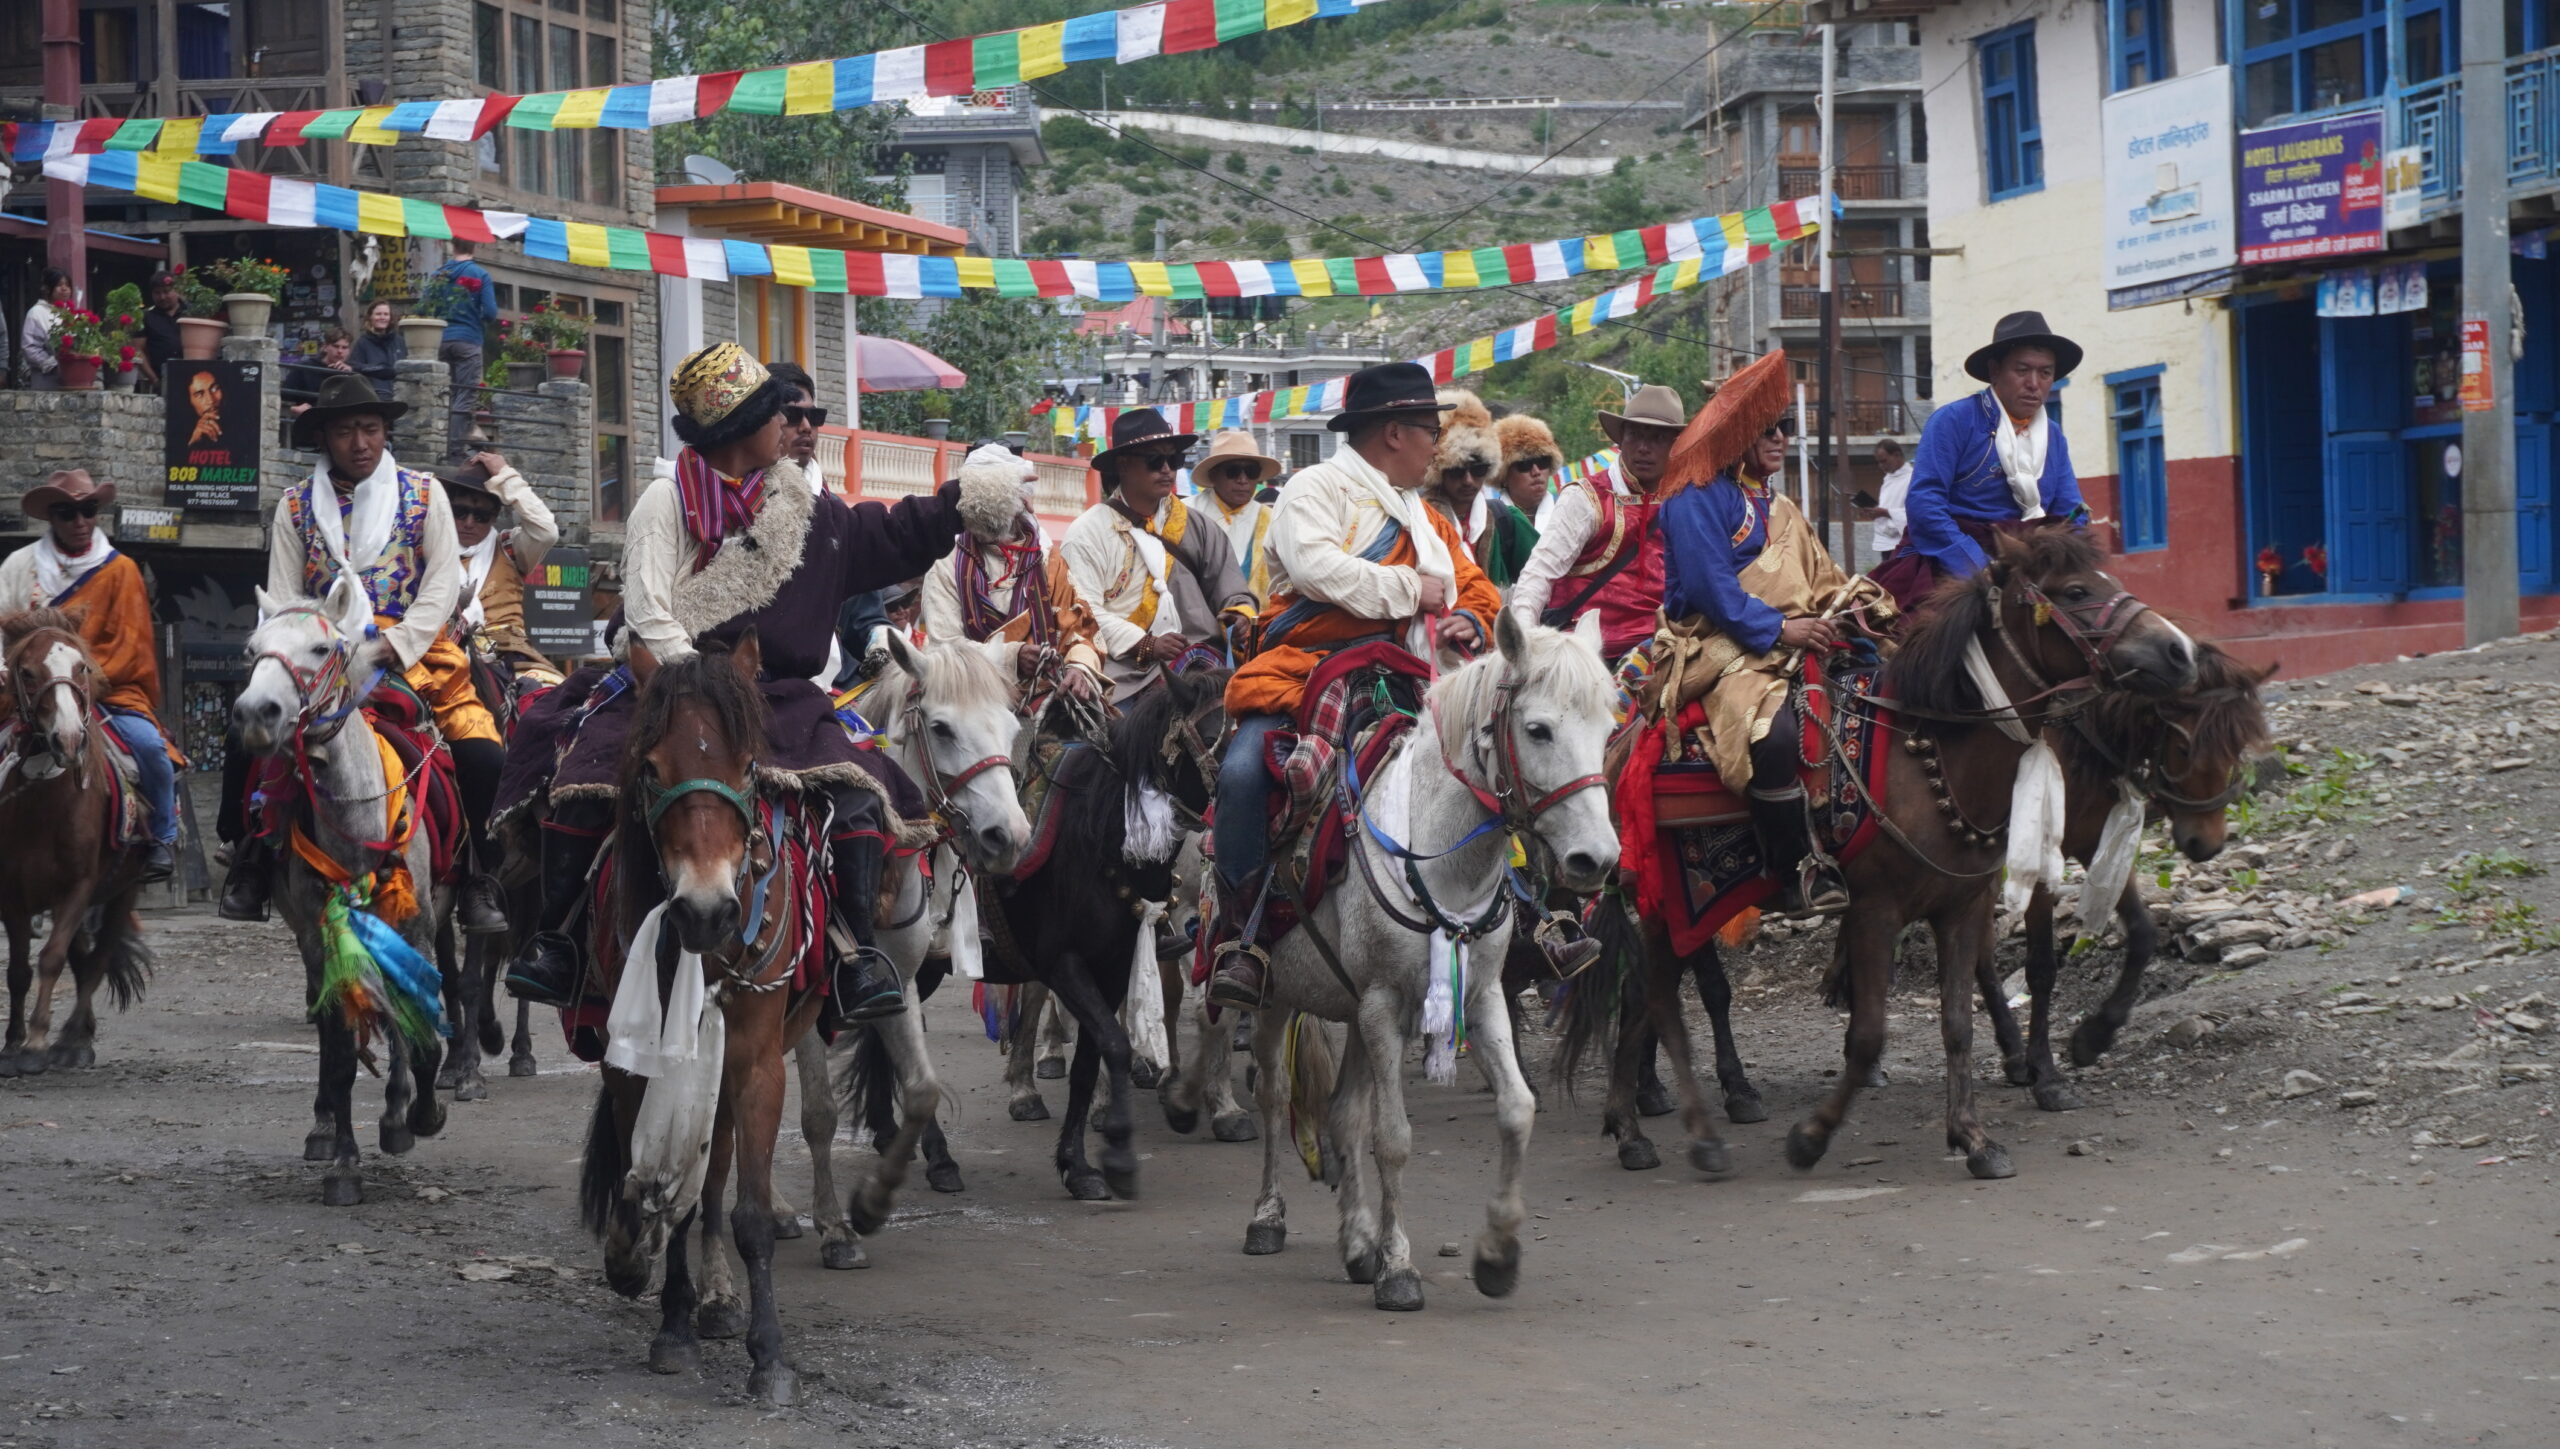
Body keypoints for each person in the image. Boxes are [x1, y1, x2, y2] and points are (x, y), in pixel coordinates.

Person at [501, 342, 1006, 1021]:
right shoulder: (664, 501)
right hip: (670, 691)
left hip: (781, 701)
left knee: (857, 795)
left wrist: (962, 501)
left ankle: (855, 954)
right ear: (739, 425)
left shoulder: (810, 510)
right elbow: (649, 615)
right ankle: (555, 940)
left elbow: (890, 534)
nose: (792, 426)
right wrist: (703, 691)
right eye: (778, 413)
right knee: (580, 776)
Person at [1206, 362, 1503, 1009]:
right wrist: (1412, 590)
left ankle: (1526, 912)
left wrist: (1467, 618)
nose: (1435, 444)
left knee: (1501, 758)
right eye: (1429, 430)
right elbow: (1316, 569)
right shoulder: (1314, 489)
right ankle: (1241, 937)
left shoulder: (1426, 518)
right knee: (1240, 775)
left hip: (1405, 682)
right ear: (1395, 433)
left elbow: (1474, 587)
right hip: (1306, 676)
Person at [219, 374, 511, 935]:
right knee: (251, 736)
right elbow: (282, 596)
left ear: (384, 433)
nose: (360, 442)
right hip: (317, 655)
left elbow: (440, 586)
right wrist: (298, 648)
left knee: (482, 755)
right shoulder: (295, 506)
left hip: (412, 654)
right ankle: (250, 859)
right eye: (347, 431)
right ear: (325, 438)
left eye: (371, 429)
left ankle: (479, 877)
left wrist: (390, 646)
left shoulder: (426, 496)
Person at [1655, 351, 1886, 918]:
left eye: (1784, 427)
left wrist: (1854, 608)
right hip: (1722, 645)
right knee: (1777, 736)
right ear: (1737, 432)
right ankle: (1795, 872)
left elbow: (1822, 577)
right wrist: (1783, 627)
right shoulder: (1692, 496)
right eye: (1767, 428)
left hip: (1801, 633)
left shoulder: (1779, 504)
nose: (1781, 438)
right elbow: (1713, 592)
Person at [0, 469, 178, 881]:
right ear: (51, 518)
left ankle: (162, 840)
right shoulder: (18, 566)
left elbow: (131, 647)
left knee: (152, 751)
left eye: (88, 510)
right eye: (67, 513)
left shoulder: (122, 571)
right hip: (26, 693)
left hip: (106, 689)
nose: (79, 522)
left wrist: (78, 685)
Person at [1872, 311, 2088, 609]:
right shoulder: (1953, 421)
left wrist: (2064, 559)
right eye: (2022, 370)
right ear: (1995, 370)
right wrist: (1978, 567)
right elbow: (1924, 504)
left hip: (2033, 568)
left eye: (2045, 373)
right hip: (1952, 562)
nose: (2034, 383)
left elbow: (2071, 512)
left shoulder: (2053, 436)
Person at [1060, 409, 1256, 700]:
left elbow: (1229, 588)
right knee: (1105, 736)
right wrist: (1145, 644)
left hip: (1204, 662)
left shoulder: (1198, 525)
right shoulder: (1086, 532)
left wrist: (1239, 614)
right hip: (1124, 671)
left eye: (1173, 460)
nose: (1167, 469)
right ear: (1123, 465)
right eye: (1155, 460)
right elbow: (1084, 611)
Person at [1509, 382, 1686, 664]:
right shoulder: (1585, 498)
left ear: (1675, 445)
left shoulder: (1685, 501)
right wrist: (1523, 643)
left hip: (1667, 647)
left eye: (1657, 438)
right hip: (1587, 657)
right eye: (1635, 435)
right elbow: (1539, 573)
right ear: (1621, 439)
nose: (1643, 447)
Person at [919, 443, 1105, 695]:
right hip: (973, 697)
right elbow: (944, 648)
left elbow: (1079, 629)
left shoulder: (1046, 557)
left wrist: (1079, 668)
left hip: (1049, 690)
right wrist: (1011, 656)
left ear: (1021, 503)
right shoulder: (946, 560)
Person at [442, 449, 559, 678]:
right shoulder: (428, 551)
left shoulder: (511, 548)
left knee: (546, 704)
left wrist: (506, 477)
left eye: (480, 516)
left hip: (510, 658)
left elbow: (547, 533)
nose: (468, 523)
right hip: (442, 653)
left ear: (494, 516)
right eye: (460, 512)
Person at [1427, 390, 1539, 589]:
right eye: (1456, 470)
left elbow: (1545, 579)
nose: (1468, 480)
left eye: (1478, 469)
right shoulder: (1418, 521)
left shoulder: (1507, 519)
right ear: (1438, 470)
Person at [1192, 430, 1281, 608]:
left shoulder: (1273, 519)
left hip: (1259, 628)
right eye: (1233, 471)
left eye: (1251, 471)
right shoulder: (1186, 515)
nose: (1243, 480)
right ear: (1213, 475)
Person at [433, 240, 499, 457]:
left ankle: (445, 442)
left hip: (441, 339)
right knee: (465, 395)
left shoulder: (439, 274)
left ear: (453, 247)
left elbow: (426, 305)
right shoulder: (480, 275)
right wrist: (474, 317)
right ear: (474, 247)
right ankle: (455, 449)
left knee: (447, 394)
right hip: (468, 339)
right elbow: (490, 312)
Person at [1495, 411, 1559, 531]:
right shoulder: (1489, 522)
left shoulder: (1567, 517)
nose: (1536, 471)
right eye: (1525, 465)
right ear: (1504, 476)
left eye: (1542, 462)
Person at [18, 268, 72, 391]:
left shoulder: (72, 313)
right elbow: (30, 347)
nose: (64, 288)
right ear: (47, 288)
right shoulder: (36, 313)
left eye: (67, 285)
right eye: (59, 285)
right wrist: (53, 365)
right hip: (46, 380)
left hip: (71, 381)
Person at [283, 329, 357, 415]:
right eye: (335, 346)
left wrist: (351, 375)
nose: (340, 351)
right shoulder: (304, 368)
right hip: (310, 418)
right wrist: (294, 408)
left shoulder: (351, 370)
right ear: (325, 347)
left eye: (344, 348)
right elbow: (284, 397)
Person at [1867, 436, 1912, 559]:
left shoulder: (1912, 478)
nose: (1881, 466)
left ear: (1897, 455)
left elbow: (1915, 512)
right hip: (1886, 542)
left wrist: (1887, 513)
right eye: (1878, 462)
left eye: (1884, 461)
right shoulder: (1888, 479)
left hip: (1903, 544)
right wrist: (1876, 511)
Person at [138, 271, 185, 392]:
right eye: (157, 293)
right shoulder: (146, 317)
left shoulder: (193, 312)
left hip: (194, 378)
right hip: (162, 383)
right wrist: (154, 380)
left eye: (166, 291)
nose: (162, 297)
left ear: (177, 291)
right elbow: (137, 350)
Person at [351, 300, 404, 403]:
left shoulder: (400, 341)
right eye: (378, 314)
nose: (382, 317)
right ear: (370, 317)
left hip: (398, 397)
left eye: (386, 314)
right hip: (374, 399)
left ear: (390, 318)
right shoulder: (362, 343)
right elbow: (355, 366)